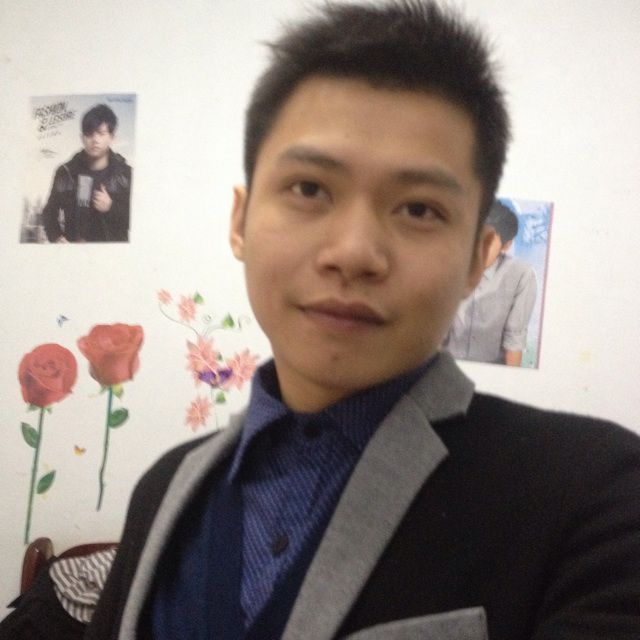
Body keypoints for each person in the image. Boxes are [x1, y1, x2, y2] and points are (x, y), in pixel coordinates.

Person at [86, 2, 640, 639]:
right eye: (309, 189)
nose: (352, 253)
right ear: (239, 222)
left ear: (478, 259)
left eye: (419, 209)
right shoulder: (164, 491)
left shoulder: (597, 496)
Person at [444, 200, 537, 366]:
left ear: (506, 245)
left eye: (488, 240)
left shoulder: (521, 275)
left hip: (493, 370)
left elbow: (514, 340)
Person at [42, 104, 131, 243]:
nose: (95, 140)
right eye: (89, 134)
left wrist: (110, 207)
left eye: (101, 133)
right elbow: (49, 213)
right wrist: (56, 237)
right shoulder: (65, 173)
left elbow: (140, 219)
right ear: (82, 137)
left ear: (112, 137)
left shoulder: (125, 174)